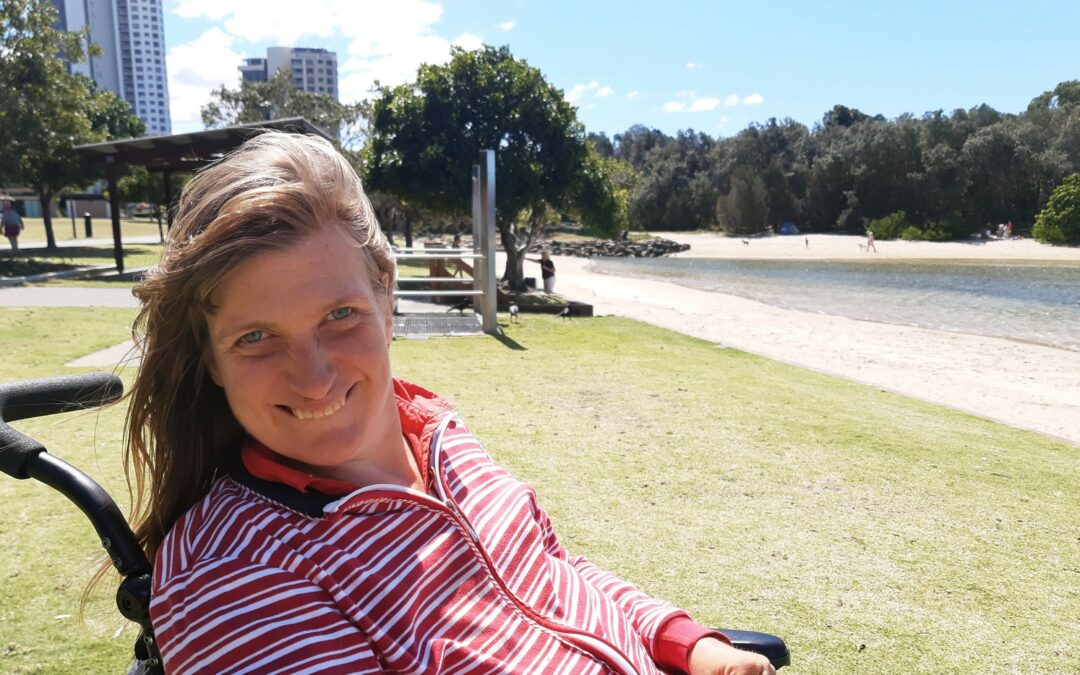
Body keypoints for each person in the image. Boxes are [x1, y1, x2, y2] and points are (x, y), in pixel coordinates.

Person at [122, 132, 775, 674]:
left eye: (339, 314)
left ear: (386, 295)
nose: (314, 379)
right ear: (209, 354)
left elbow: (554, 574)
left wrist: (691, 645)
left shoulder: (438, 434)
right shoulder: (236, 575)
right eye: (256, 337)